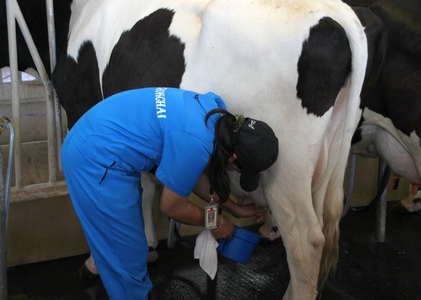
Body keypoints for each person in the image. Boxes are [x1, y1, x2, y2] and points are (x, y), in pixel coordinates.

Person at [61, 87, 279, 299]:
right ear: (233, 157)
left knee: (133, 247)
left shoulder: (214, 114)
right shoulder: (195, 142)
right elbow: (172, 206)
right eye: (242, 169)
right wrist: (217, 223)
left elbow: (188, 175)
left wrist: (234, 207)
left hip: (106, 144)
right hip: (94, 158)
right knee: (126, 260)